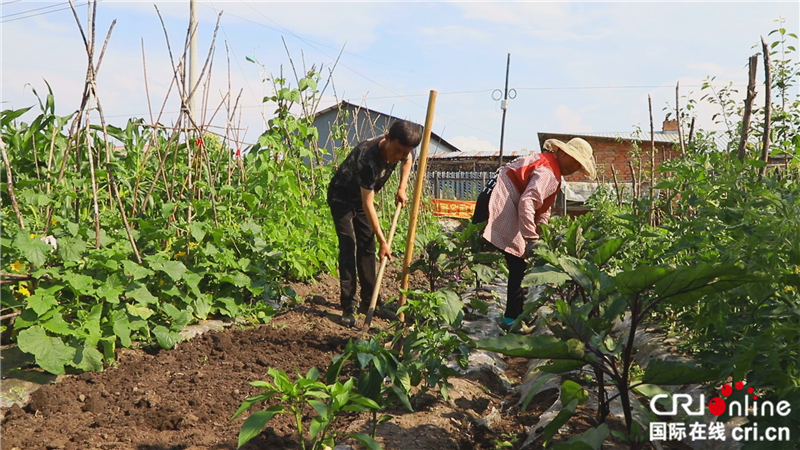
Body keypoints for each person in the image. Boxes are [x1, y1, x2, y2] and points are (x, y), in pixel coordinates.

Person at [481, 137, 596, 328]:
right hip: (501, 198)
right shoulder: (549, 171)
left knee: (517, 263)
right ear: (561, 152)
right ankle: (513, 320)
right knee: (517, 264)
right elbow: (528, 202)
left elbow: (543, 207)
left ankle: (516, 315)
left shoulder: (549, 166)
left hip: (493, 194)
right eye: (572, 159)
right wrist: (531, 238)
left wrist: (543, 233)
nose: (574, 166)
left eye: (578, 165)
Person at [327, 120, 423, 327]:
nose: (398, 156)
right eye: (397, 150)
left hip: (362, 198)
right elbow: (368, 203)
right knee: (348, 246)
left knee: (367, 246)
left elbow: (408, 159)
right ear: (387, 139)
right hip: (342, 197)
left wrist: (402, 187)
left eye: (403, 152)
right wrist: (383, 241)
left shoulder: (404, 150)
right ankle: (348, 306)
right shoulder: (367, 157)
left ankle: (370, 302)